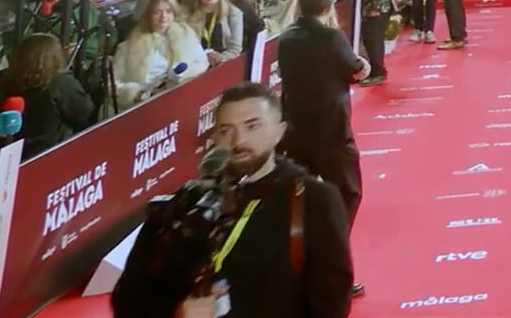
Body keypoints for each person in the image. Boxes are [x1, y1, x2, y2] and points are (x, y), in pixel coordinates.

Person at [111, 82, 354, 317]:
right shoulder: (184, 203)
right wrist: (175, 313)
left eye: (252, 126)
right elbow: (128, 300)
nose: (238, 141)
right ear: (214, 138)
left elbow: (330, 304)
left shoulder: (312, 200)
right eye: (226, 130)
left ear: (279, 132)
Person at [275, 0, 368, 300]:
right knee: (347, 196)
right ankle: (330, 267)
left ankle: (295, 271)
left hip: (295, 132)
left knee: (296, 204)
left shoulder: (286, 39)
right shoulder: (331, 37)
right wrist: (363, 66)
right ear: (328, 6)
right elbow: (355, 69)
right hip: (330, 132)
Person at [0, 33, 95, 158]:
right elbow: (85, 116)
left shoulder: (4, 82)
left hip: (12, 158)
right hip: (53, 158)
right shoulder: (61, 84)